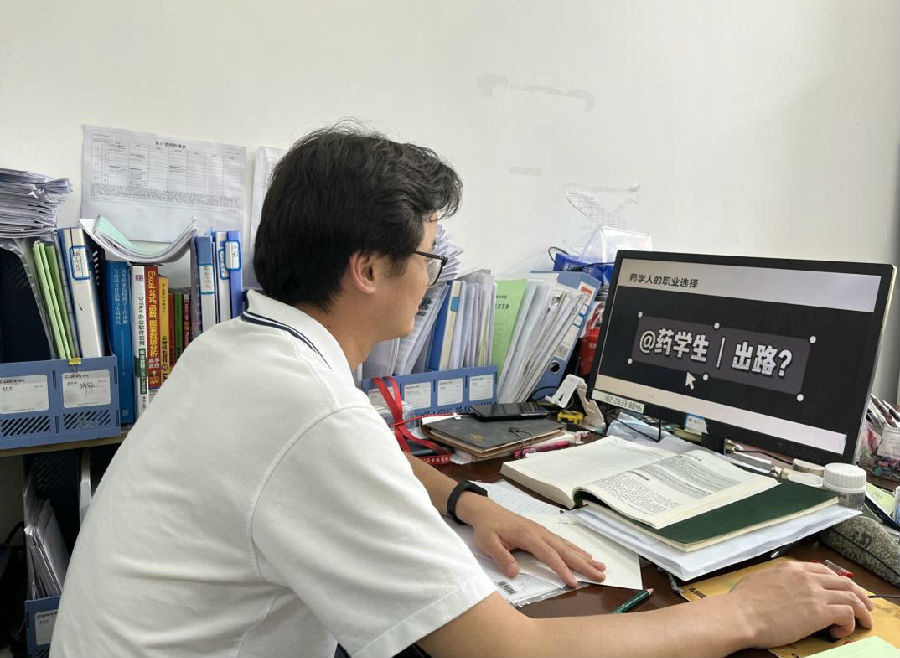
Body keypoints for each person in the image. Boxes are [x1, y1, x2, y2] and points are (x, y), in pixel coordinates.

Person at [51, 124, 873, 658]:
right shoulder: (308, 411)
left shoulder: (243, 349)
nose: (435, 275)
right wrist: (746, 615)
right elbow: (508, 652)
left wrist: (470, 504)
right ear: (367, 269)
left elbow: (350, 450)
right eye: (430, 256)